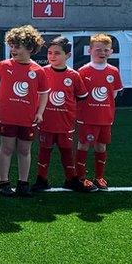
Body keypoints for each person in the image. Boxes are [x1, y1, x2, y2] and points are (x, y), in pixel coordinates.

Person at [0, 25, 49, 198]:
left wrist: (40, 112)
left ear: (30, 48)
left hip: (28, 118)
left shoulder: (38, 71)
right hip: (7, 116)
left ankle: (23, 183)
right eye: (11, 46)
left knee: (25, 150)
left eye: (17, 46)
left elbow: (44, 94)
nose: (13, 50)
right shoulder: (5, 65)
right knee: (6, 148)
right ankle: (3, 183)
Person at [34, 37, 91, 193]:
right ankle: (41, 179)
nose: (52, 56)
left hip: (66, 123)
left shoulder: (73, 76)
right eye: (50, 53)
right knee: (44, 151)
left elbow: (81, 98)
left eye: (57, 53)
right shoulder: (41, 72)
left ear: (68, 55)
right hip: (46, 121)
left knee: (67, 152)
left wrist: (70, 113)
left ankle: (71, 179)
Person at [76, 34, 124, 191]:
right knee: (83, 146)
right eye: (98, 49)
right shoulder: (83, 71)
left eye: (105, 50)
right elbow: (79, 94)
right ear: (90, 50)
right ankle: (81, 178)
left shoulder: (113, 71)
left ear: (111, 52)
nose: (102, 52)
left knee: (101, 147)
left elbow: (114, 93)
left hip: (105, 118)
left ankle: (99, 177)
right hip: (87, 118)